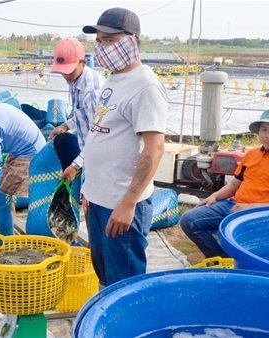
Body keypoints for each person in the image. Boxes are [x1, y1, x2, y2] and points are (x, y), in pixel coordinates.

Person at [80, 8, 168, 287]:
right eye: (99, 41)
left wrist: (128, 203)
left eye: (110, 40)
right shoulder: (114, 78)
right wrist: (88, 189)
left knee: (125, 283)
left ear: (131, 40)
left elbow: (154, 148)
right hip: (98, 199)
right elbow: (103, 133)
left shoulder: (145, 86)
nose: (103, 47)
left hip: (121, 203)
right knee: (105, 276)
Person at [180, 109, 269, 258]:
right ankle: (222, 259)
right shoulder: (251, 154)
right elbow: (234, 185)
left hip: (263, 215)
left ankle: (237, 261)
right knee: (189, 220)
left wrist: (248, 208)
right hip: (234, 205)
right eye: (264, 130)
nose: (268, 135)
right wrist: (214, 196)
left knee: (245, 246)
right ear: (258, 132)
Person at [48, 37, 105, 183]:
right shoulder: (75, 79)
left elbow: (98, 134)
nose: (66, 75)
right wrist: (64, 126)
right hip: (89, 152)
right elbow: (82, 113)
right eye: (62, 71)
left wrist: (75, 166)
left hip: (101, 154)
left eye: (69, 71)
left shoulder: (91, 90)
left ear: (83, 63)